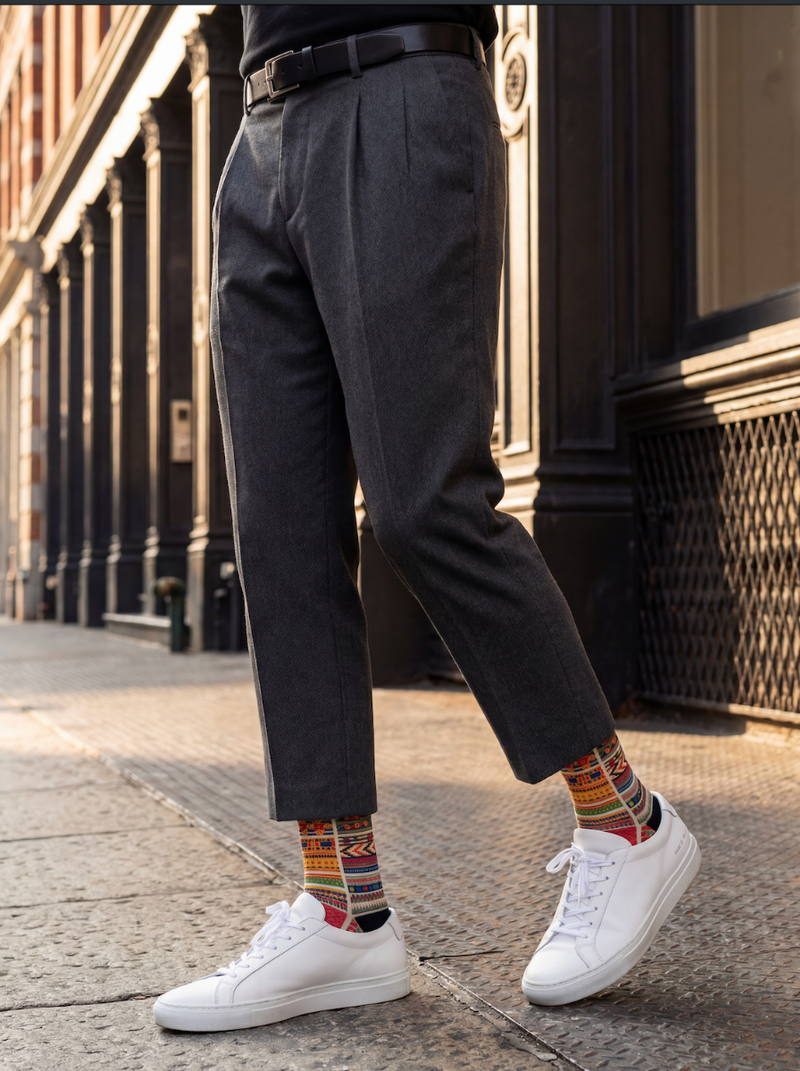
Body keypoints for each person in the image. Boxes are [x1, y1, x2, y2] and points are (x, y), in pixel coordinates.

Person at [153, 5, 701, 1032]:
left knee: (421, 504)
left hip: (399, 81)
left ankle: (624, 822)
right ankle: (341, 909)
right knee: (278, 536)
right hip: (259, 118)